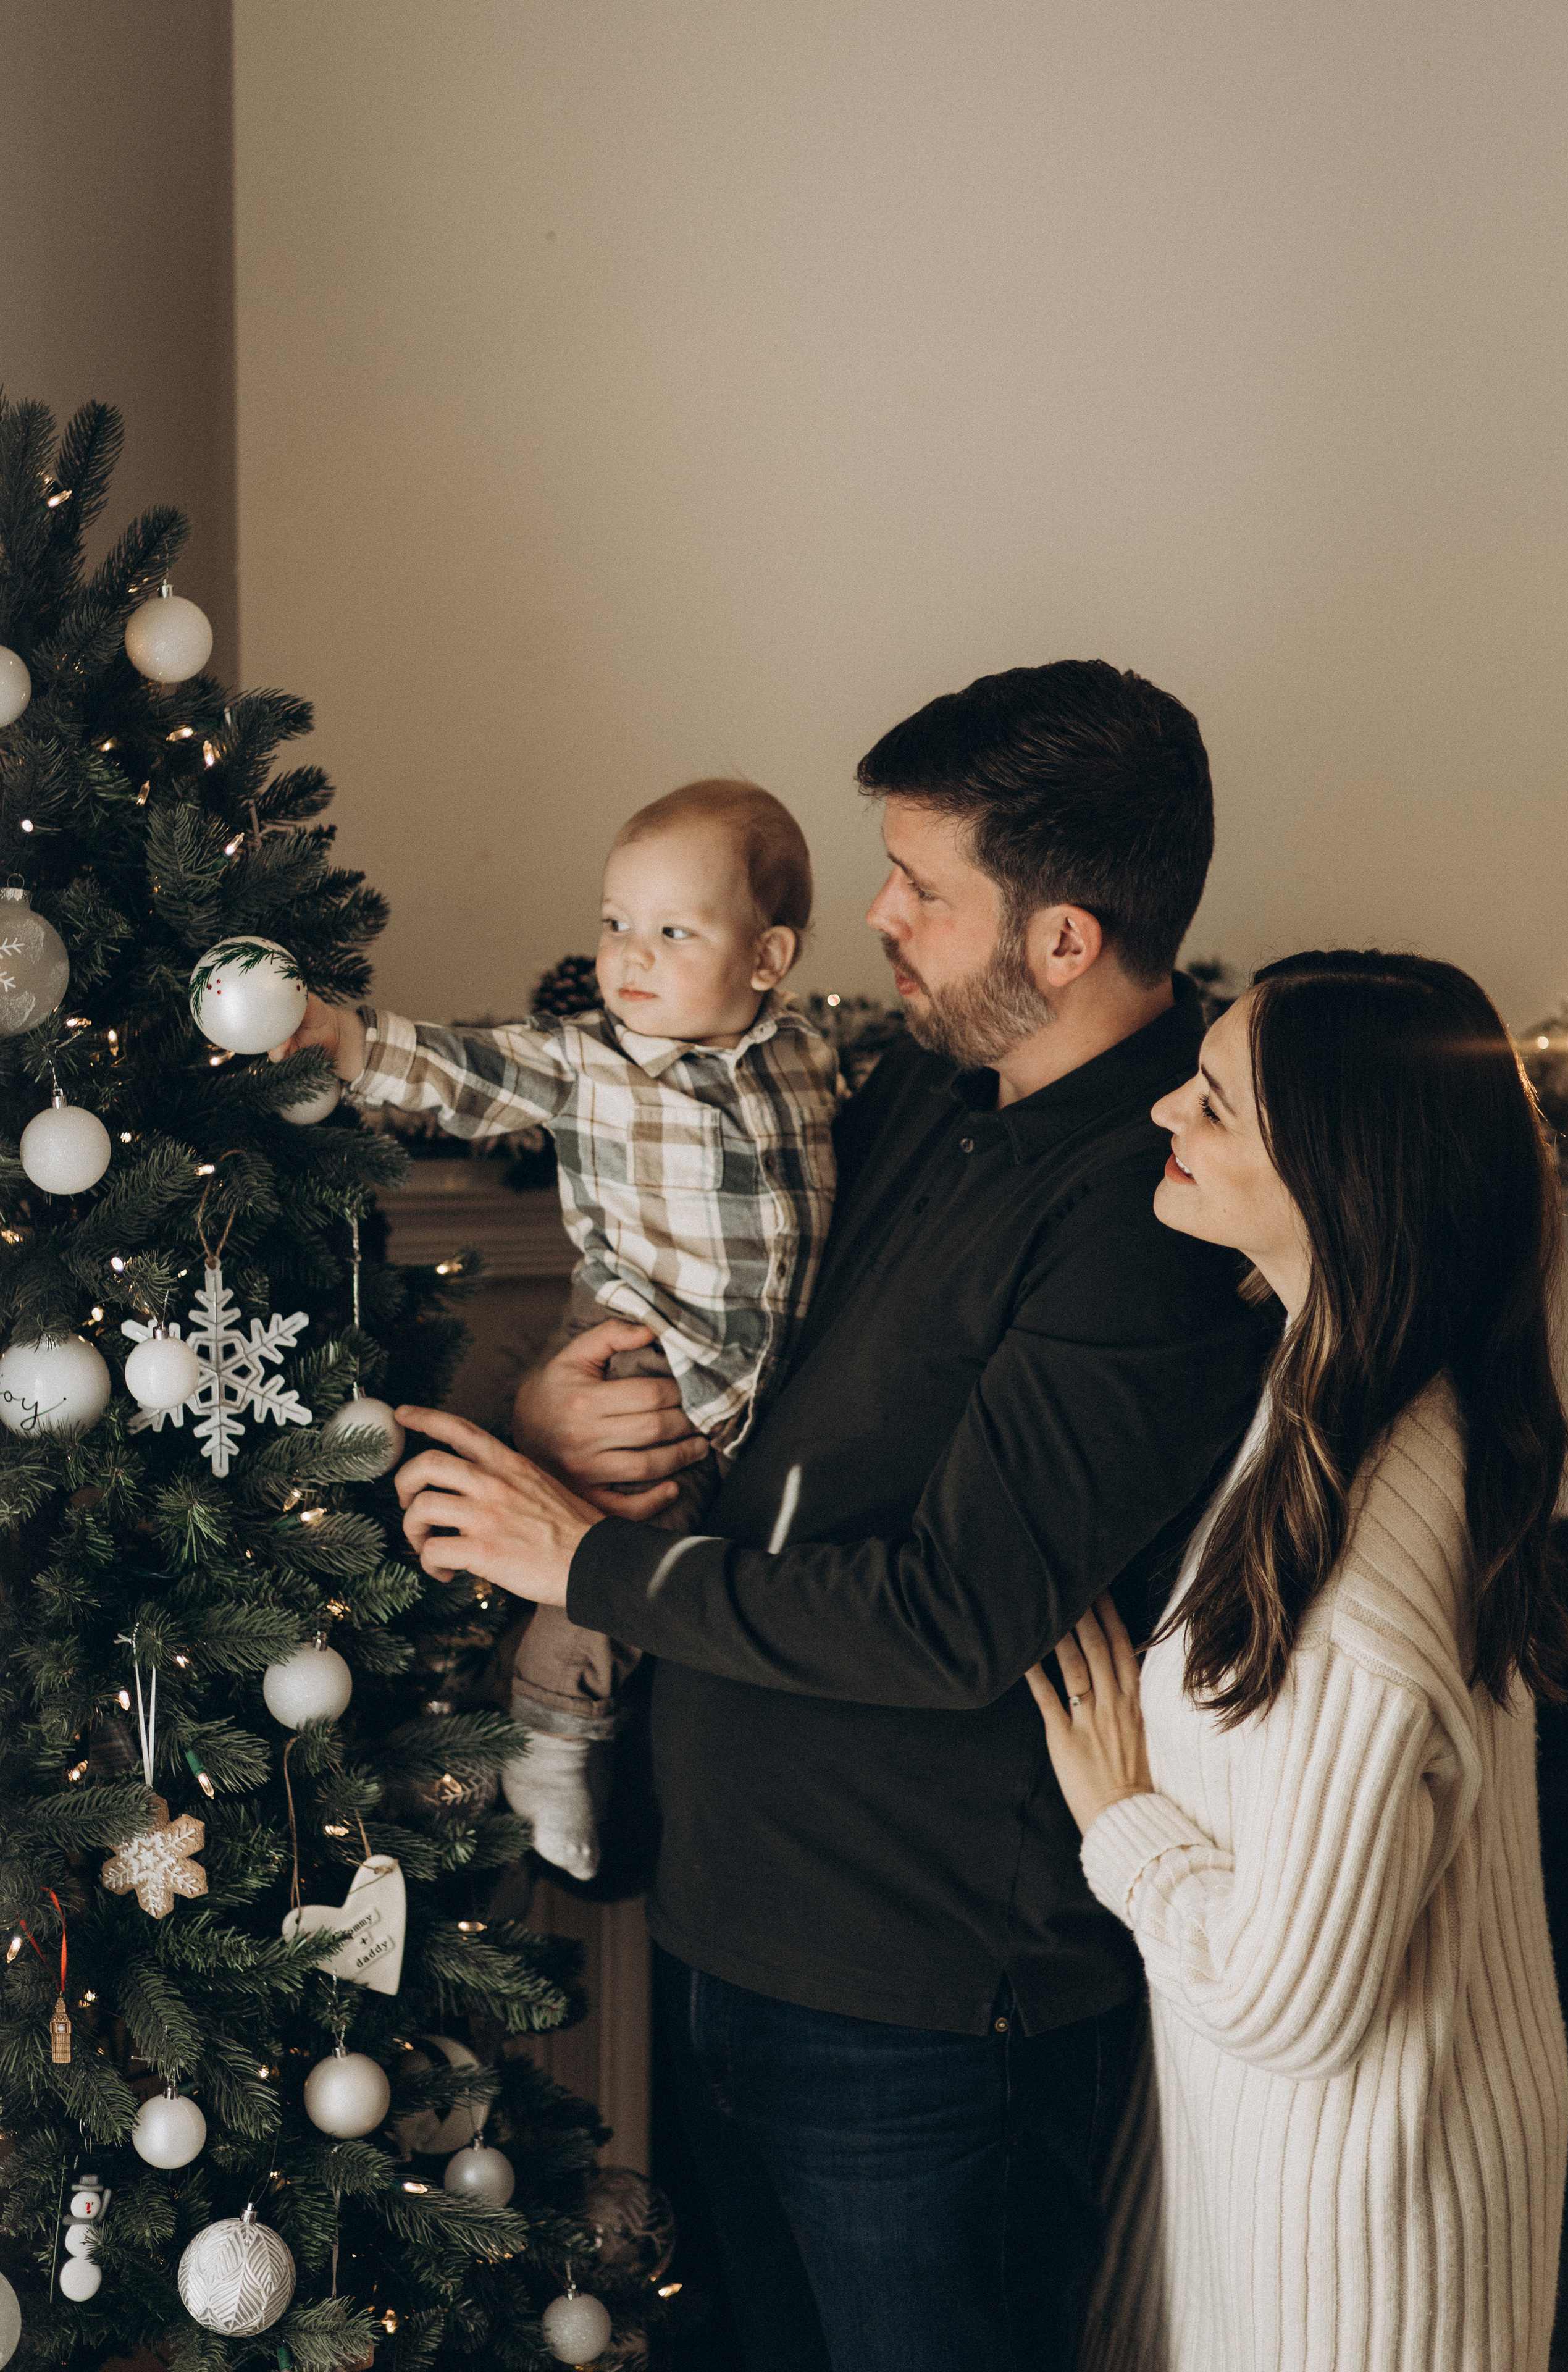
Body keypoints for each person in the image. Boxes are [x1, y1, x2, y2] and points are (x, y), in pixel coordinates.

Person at [388, 660, 1277, 2372]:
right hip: (731, 1929)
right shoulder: (915, 1097)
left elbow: (951, 1617)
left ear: (1066, 937)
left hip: (930, 2007)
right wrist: (563, 1397)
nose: (874, 917)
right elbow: (710, 1309)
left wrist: (582, 1562)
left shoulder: (1145, 1214)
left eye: (925, 891)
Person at [1027, 951, 1568, 2372]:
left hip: (1365, 2273)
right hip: (1316, 2207)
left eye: (1210, 1104)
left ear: (1335, 1176)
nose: (1163, 1111)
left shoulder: (1361, 1552)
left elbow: (1294, 2002)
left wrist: (1118, 1818)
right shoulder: (1330, 1400)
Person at [272, 777, 839, 1878]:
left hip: (757, 1376)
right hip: (635, 1345)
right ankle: (549, 1731)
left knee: (693, 1557)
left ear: (767, 960)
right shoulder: (596, 1064)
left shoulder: (811, 1059)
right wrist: (349, 1039)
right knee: (627, 1527)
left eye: (674, 931)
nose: (631, 955)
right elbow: (471, 1070)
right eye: (616, 923)